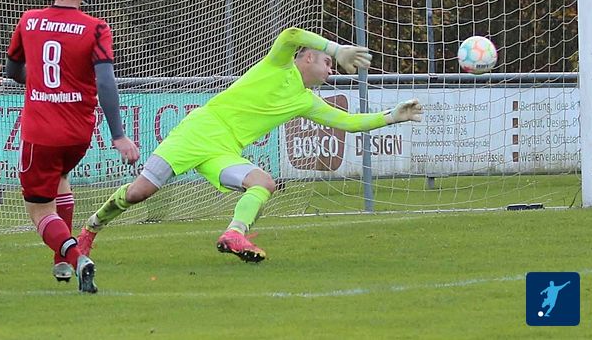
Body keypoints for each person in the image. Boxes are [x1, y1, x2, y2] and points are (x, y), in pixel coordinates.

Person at [78, 26, 424, 263]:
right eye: (327, 62)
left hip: (224, 150)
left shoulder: (306, 100)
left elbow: (349, 122)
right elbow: (291, 34)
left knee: (263, 183)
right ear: (307, 58)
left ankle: (234, 234)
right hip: (197, 132)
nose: (331, 69)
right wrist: (336, 48)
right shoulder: (278, 65)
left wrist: (392, 116)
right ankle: (90, 229)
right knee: (139, 193)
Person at [5, 0, 140, 294]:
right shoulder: (96, 28)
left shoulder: (29, 21)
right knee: (61, 179)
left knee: (38, 210)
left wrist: (39, 81)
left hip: (40, 132)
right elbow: (106, 81)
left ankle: (77, 257)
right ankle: (61, 262)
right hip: (78, 133)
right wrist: (118, 135)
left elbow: (12, 70)